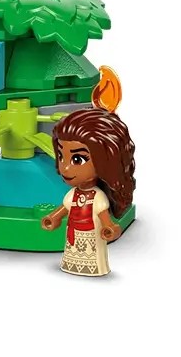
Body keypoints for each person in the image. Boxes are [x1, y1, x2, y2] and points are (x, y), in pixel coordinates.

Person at [41, 108, 136, 276]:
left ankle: (93, 269)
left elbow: (103, 216)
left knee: (92, 257)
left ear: (105, 161)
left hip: (90, 235)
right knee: (73, 253)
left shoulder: (97, 196)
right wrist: (53, 218)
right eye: (61, 157)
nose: (65, 168)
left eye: (77, 159)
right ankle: (71, 265)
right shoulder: (73, 194)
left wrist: (109, 228)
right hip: (74, 234)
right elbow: (65, 208)